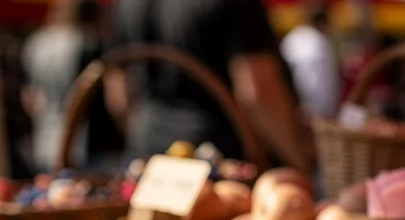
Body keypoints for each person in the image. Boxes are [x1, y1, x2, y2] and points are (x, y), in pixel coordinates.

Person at [106, 0, 313, 171]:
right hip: (218, 166)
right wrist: (298, 161)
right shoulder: (237, 5)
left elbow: (119, 99)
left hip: (147, 162)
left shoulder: (126, 5)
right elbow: (257, 92)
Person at [21, 0, 122, 171]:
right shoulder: (90, 43)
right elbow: (115, 98)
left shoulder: (37, 43)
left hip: (48, 139)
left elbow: (30, 99)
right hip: (89, 142)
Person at [281, 4, 341, 120]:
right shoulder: (319, 42)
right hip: (314, 112)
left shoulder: (291, 38)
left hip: (290, 109)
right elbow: (320, 84)